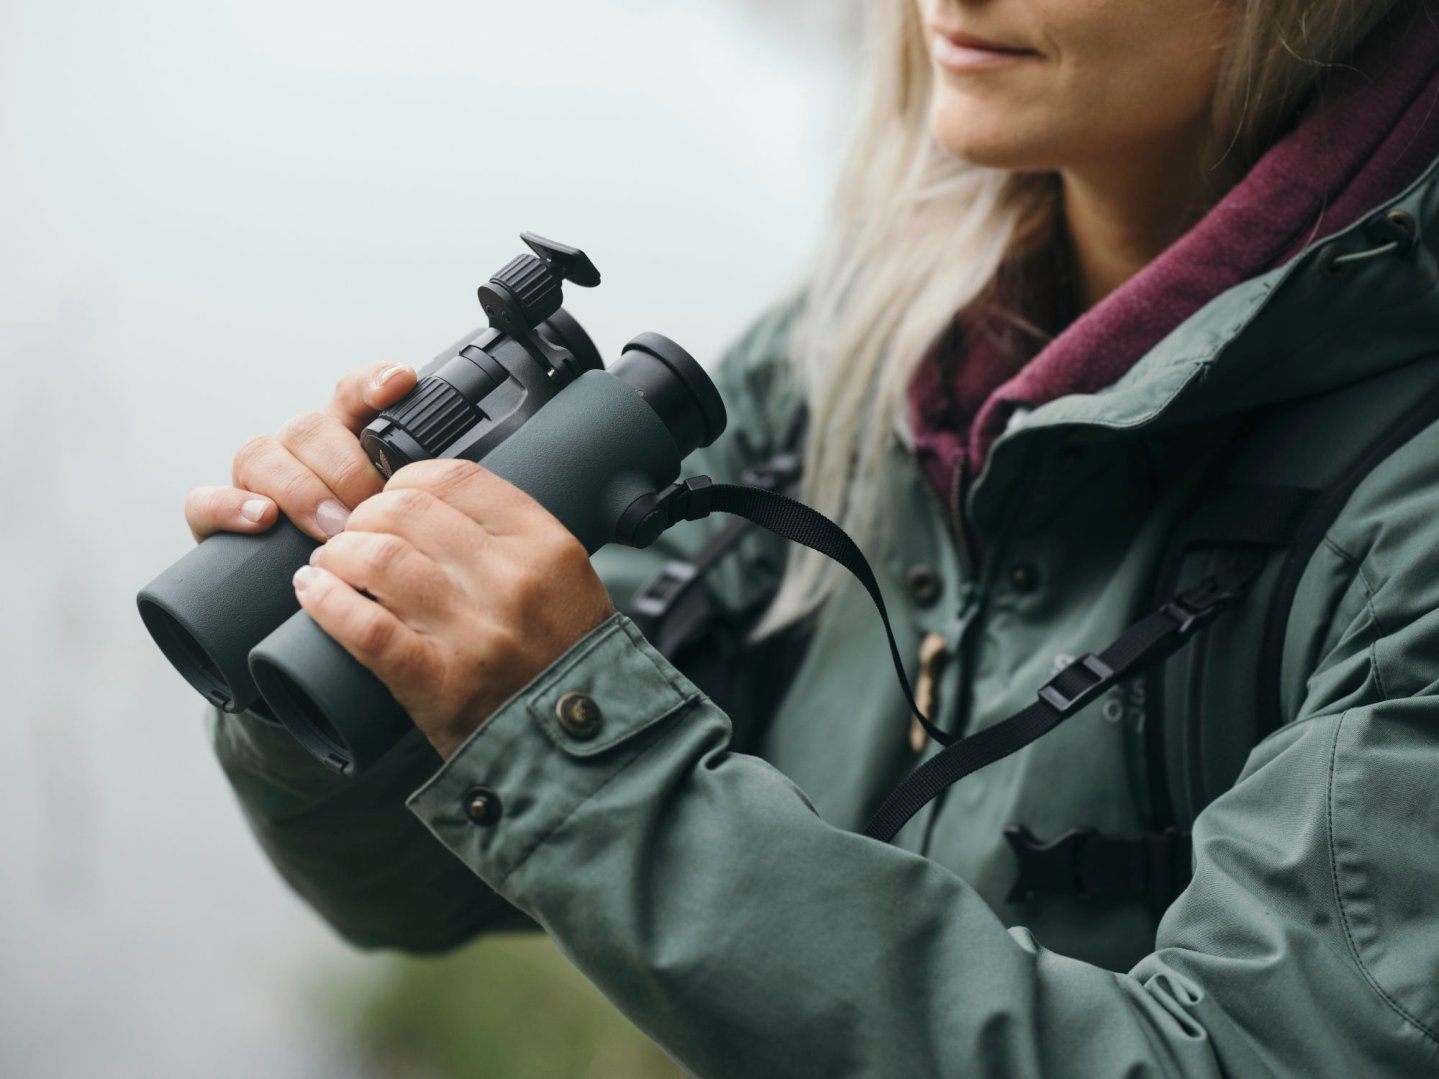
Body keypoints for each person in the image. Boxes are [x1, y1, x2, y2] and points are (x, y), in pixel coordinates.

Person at [188, 0, 1439, 1073]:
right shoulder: (854, 352)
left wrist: (578, 741)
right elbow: (416, 896)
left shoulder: (1405, 511)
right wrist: (360, 630)